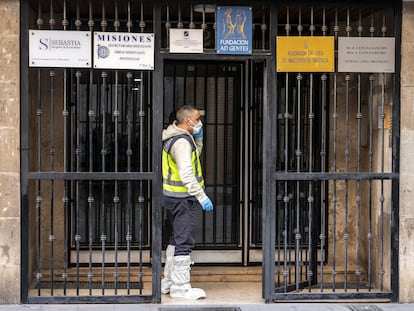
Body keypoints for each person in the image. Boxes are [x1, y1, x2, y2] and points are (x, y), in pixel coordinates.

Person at [161, 105, 214, 300]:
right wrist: (201, 196)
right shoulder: (182, 142)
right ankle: (181, 288)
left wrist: (198, 138)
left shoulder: (177, 137)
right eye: (197, 119)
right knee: (184, 242)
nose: (200, 122)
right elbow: (186, 172)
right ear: (187, 121)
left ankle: (168, 282)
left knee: (176, 239)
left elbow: (193, 158)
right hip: (183, 199)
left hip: (174, 197)